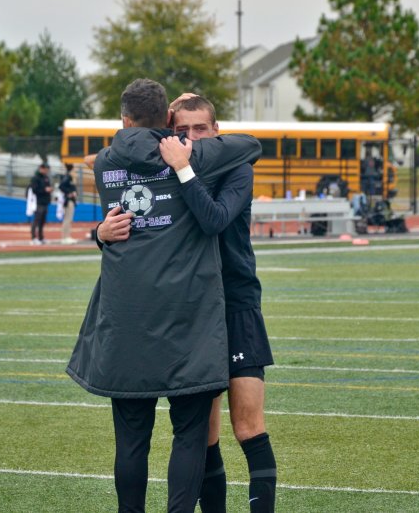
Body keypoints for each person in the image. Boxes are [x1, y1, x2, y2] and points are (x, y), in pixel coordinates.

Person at [66, 78, 261, 513]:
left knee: (131, 439)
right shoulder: (194, 156)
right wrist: (182, 152)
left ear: (124, 119)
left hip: (127, 320)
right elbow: (249, 145)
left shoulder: (103, 164)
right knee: (190, 436)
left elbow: (120, 222)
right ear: (169, 121)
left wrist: (99, 232)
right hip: (187, 319)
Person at [29, 162, 52, 245]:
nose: (47, 171)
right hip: (38, 202)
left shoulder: (46, 177)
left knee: (42, 221)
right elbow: (34, 190)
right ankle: (33, 238)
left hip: (45, 201)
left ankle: (41, 237)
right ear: (41, 168)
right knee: (36, 220)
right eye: (45, 169)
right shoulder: (35, 178)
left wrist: (49, 190)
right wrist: (44, 190)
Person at [59, 163, 78, 244]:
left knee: (68, 219)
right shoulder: (68, 176)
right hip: (68, 200)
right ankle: (65, 237)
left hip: (71, 200)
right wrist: (69, 193)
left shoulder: (70, 177)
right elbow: (61, 186)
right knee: (67, 219)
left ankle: (67, 236)